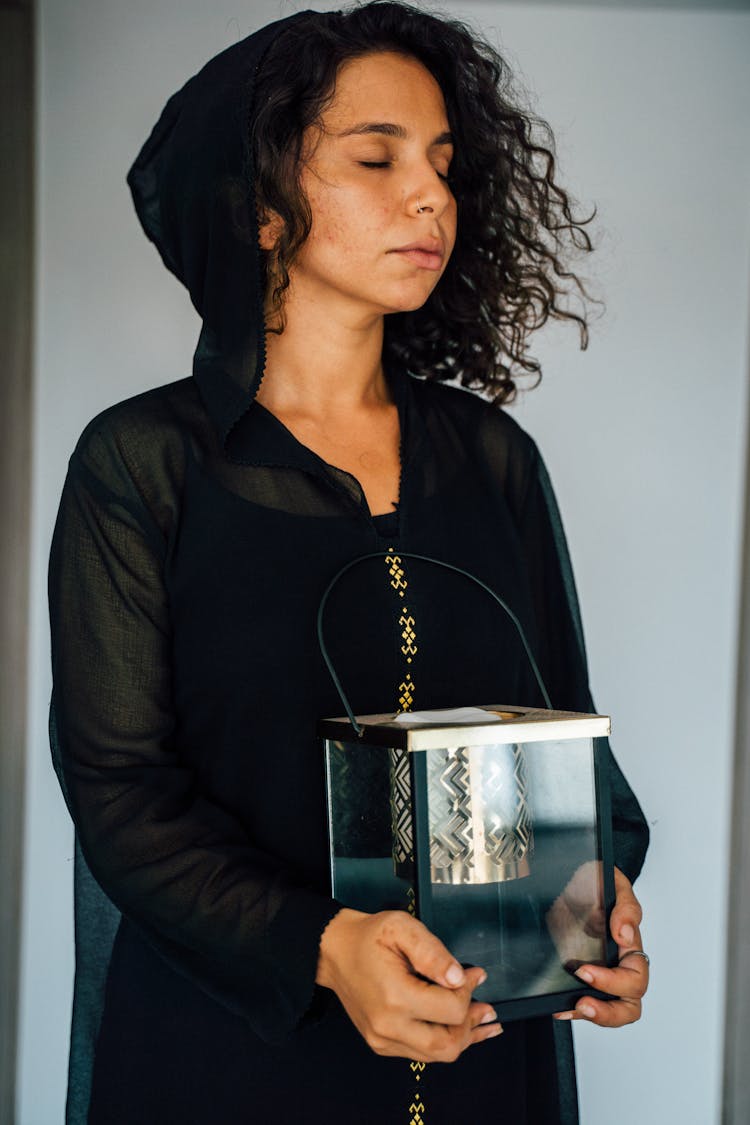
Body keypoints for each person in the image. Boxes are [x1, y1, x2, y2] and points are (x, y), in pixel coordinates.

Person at [48, 3, 650, 1122]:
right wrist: (325, 946)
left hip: (479, 1049)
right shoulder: (145, 464)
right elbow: (121, 793)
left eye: (442, 163)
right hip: (227, 1056)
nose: (429, 194)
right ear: (263, 208)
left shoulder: (492, 457)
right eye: (375, 157)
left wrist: (597, 906)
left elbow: (573, 750)